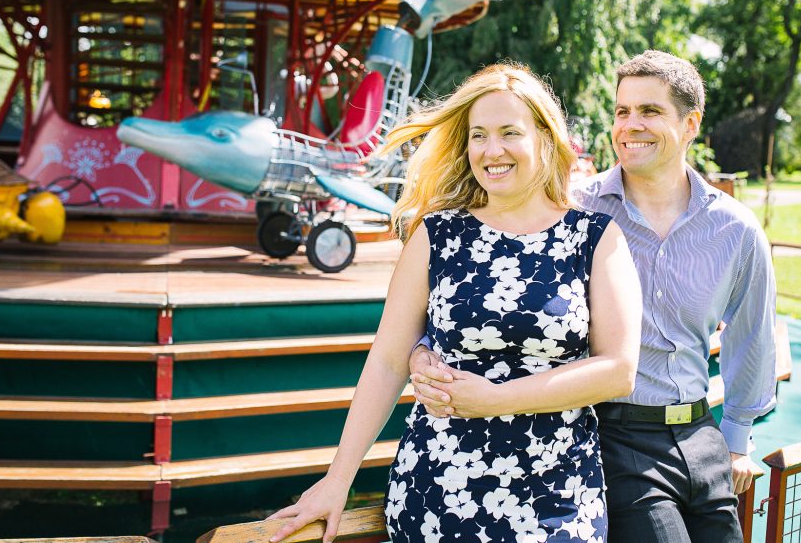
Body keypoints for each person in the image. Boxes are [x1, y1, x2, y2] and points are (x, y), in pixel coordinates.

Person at [412, 50, 778, 543]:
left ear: (690, 124)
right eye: (622, 111)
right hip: (616, 433)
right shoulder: (574, 212)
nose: (630, 125)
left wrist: (736, 440)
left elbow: (751, 336)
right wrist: (424, 347)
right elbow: (499, 290)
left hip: (700, 430)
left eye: (649, 111)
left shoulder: (736, 229)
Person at [267, 63, 642, 542]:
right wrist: (338, 480)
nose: (491, 150)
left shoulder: (593, 237)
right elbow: (387, 361)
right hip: (439, 489)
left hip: (557, 496)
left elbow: (618, 370)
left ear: (546, 139)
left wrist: (496, 400)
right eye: (478, 135)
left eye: (510, 133)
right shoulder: (437, 235)